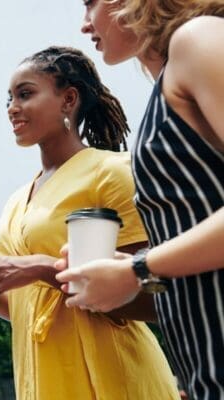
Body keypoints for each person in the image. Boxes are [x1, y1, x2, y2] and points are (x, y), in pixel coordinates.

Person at [0, 46, 179, 399]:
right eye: (8, 98)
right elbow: (30, 309)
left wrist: (43, 268)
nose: (12, 107)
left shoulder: (111, 171)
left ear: (68, 99)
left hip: (113, 380)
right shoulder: (16, 200)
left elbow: (157, 300)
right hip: (42, 383)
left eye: (25, 94)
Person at [55, 2, 224, 398]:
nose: (84, 25)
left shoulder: (198, 39)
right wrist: (136, 272)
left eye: (89, 3)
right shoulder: (170, 78)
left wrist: (138, 267)